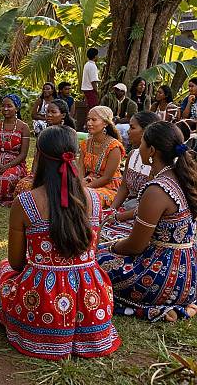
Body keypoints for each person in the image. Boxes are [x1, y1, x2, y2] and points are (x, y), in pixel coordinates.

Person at [0, 125, 120, 360]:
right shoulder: (95, 200)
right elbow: (93, 252)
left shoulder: (25, 203)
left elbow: (16, 263)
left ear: (39, 156)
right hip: (92, 302)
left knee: (3, 269)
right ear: (75, 155)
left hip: (40, 304)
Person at [98, 122, 197, 322]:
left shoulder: (157, 189)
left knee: (93, 264)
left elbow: (136, 245)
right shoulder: (181, 176)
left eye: (142, 143)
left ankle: (151, 308)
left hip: (163, 277)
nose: (139, 148)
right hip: (189, 277)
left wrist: (109, 247)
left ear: (151, 150)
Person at [101, 111, 160, 242]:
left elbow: (146, 207)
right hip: (128, 208)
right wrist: (111, 210)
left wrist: (118, 216)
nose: (128, 131)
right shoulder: (133, 155)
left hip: (145, 215)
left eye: (132, 127)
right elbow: (124, 188)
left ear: (146, 132)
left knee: (106, 239)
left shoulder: (158, 163)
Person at [13, 99, 75, 197]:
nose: (49, 115)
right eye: (47, 112)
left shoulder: (70, 133)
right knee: (23, 185)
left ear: (63, 115)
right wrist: (33, 174)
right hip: (43, 172)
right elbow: (37, 156)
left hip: (61, 174)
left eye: (53, 112)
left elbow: (71, 159)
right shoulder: (43, 133)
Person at [78, 106, 125, 208]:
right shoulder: (85, 144)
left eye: (94, 120)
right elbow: (80, 168)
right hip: (87, 182)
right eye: (88, 119)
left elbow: (107, 178)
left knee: (84, 197)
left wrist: (83, 188)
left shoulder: (114, 147)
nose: (89, 123)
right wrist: (80, 183)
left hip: (109, 188)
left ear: (105, 123)